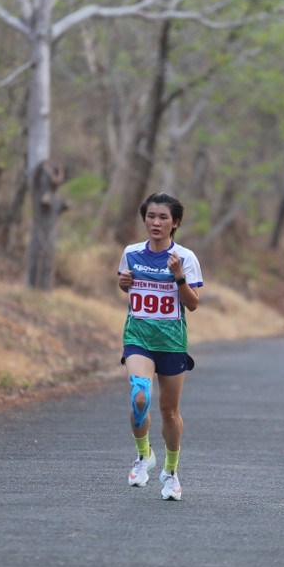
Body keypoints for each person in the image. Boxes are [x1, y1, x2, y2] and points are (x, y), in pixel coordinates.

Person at [117, 192, 203, 501]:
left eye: (163, 217)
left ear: (175, 223)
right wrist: (124, 283)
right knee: (139, 395)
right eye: (151, 216)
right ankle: (143, 456)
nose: (156, 222)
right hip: (138, 337)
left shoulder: (186, 257)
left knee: (169, 411)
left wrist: (178, 275)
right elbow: (125, 284)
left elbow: (193, 305)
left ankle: (170, 472)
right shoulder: (131, 252)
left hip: (172, 342)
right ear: (144, 219)